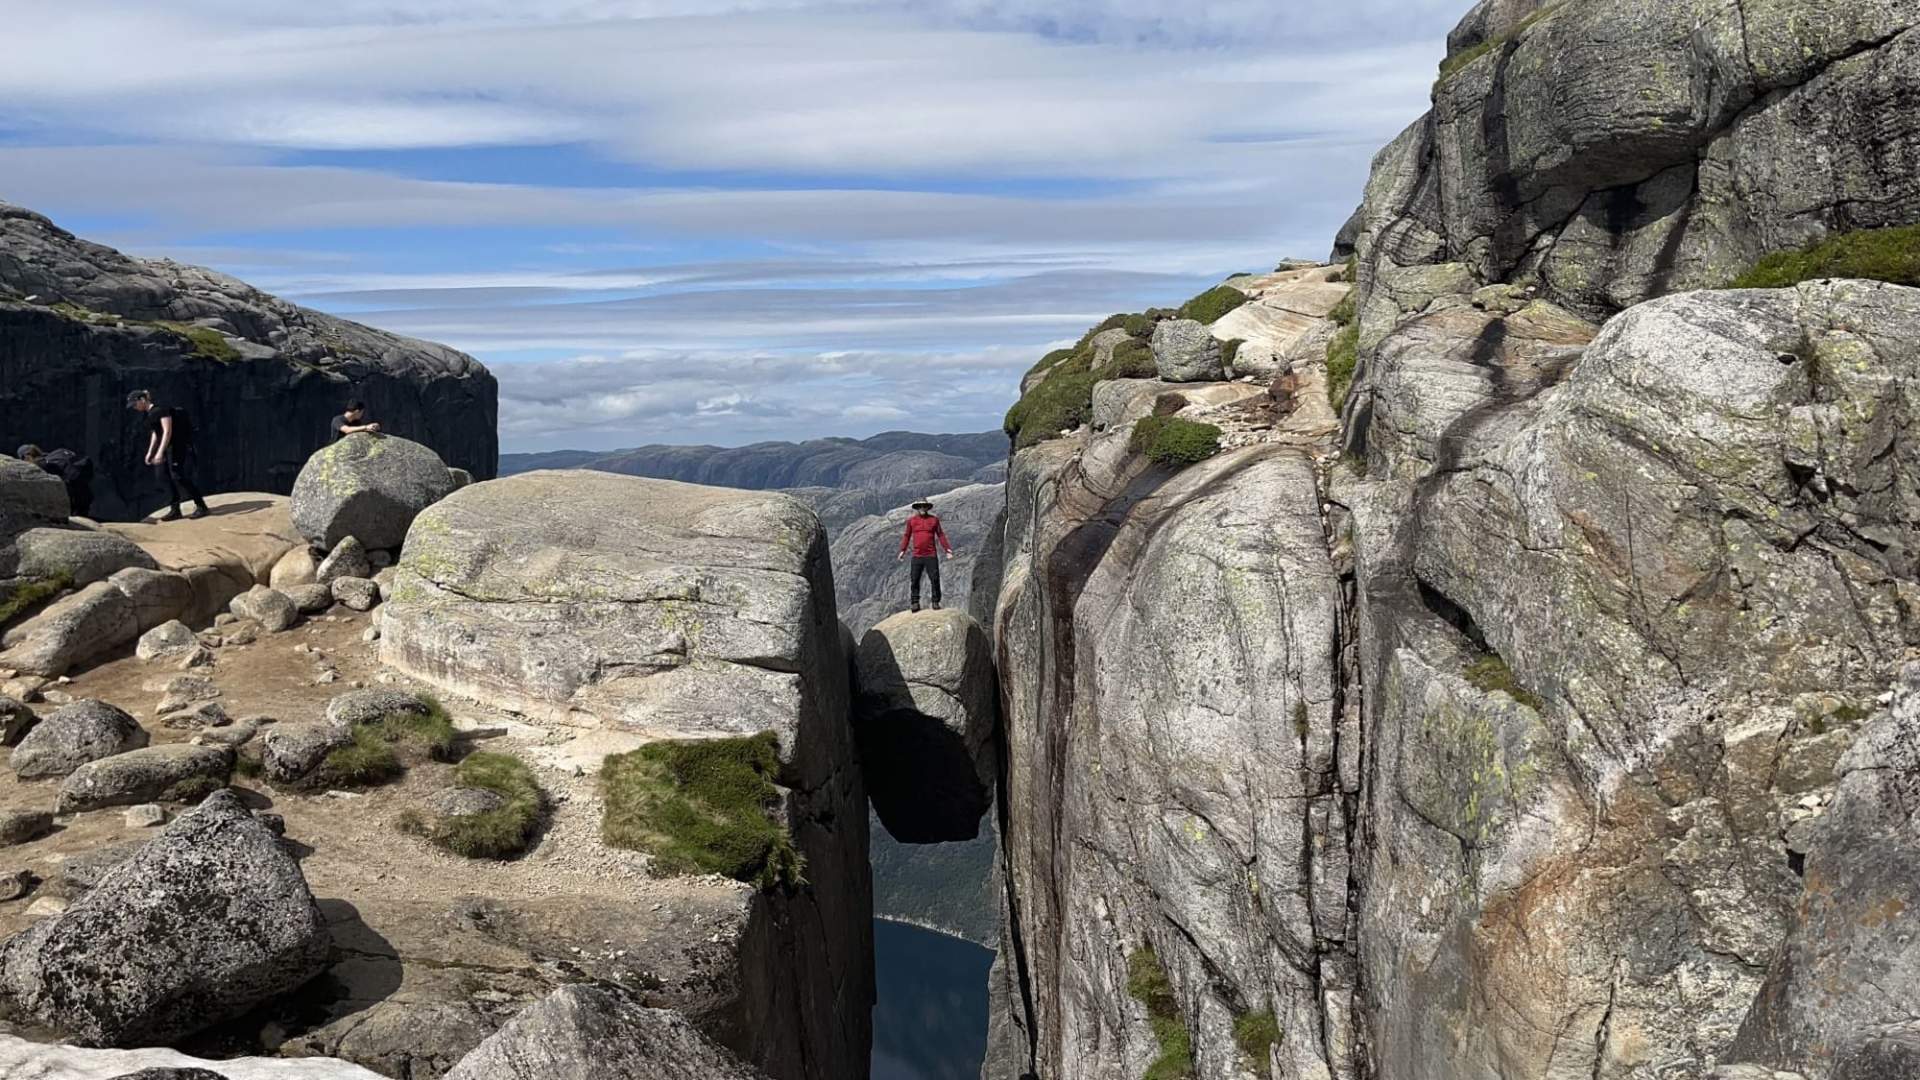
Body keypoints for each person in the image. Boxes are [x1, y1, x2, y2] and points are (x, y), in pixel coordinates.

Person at [126, 389, 210, 521]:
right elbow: (156, 433)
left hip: (175, 446)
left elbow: (167, 431)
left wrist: (159, 452)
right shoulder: (150, 414)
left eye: (135, 404)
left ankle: (201, 506)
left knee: (178, 475)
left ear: (142, 400)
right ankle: (175, 509)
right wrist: (150, 452)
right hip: (165, 448)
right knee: (162, 476)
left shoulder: (161, 409)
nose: (135, 408)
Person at [896, 497, 954, 612]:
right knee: (915, 579)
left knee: (935, 578)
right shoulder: (911, 521)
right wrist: (902, 550)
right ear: (917, 508)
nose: (922, 508)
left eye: (924, 506)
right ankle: (915, 603)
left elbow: (940, 535)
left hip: (930, 555)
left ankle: (935, 601)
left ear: (927, 507)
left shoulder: (934, 520)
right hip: (917, 555)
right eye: (920, 506)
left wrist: (947, 549)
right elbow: (907, 536)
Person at [16, 444, 95, 518]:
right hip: (84, 493)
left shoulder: (41, 465)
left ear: (27, 456)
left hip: (72, 498)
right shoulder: (56, 455)